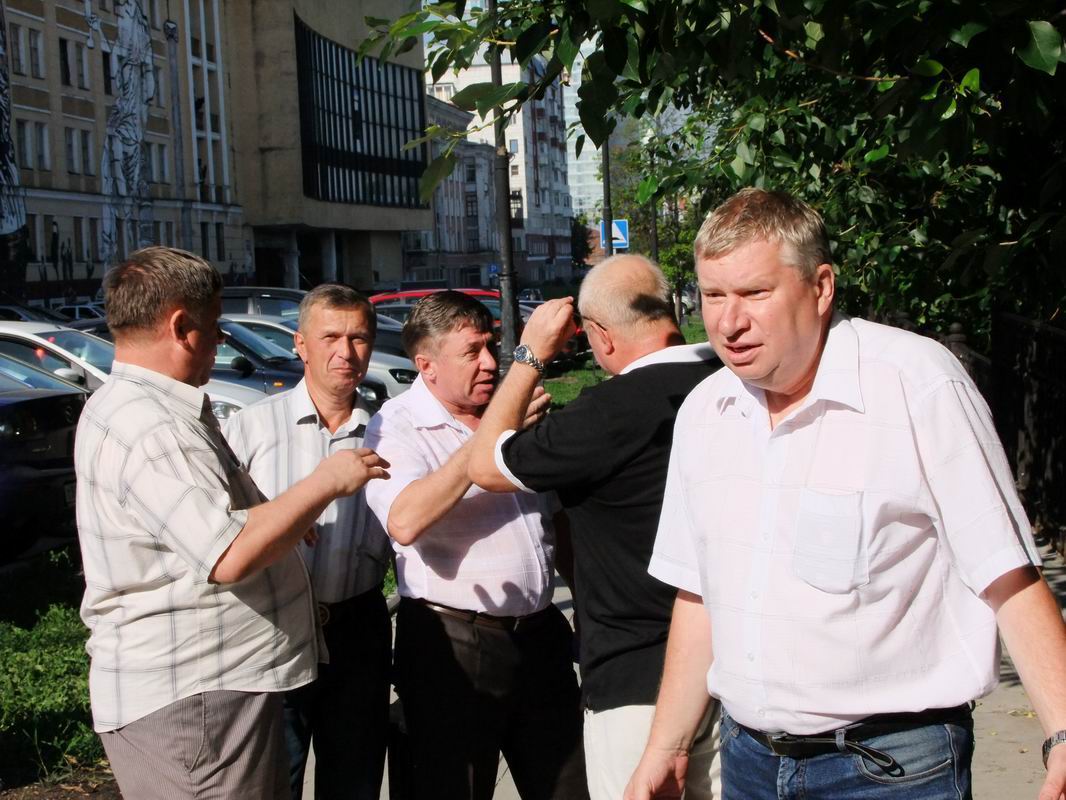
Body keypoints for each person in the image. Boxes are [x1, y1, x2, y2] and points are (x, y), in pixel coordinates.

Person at [624, 188, 1066, 800]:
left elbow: (1006, 573)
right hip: (748, 762)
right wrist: (667, 746)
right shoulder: (706, 411)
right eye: (713, 295)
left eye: (754, 293)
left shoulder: (916, 384)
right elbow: (699, 592)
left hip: (890, 770)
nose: (728, 322)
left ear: (821, 287)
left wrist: (1062, 732)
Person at [74, 247, 389, 800]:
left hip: (220, 690)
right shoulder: (152, 426)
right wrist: (323, 484)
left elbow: (203, 520)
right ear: (181, 327)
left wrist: (280, 519)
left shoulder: (147, 409)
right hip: (196, 700)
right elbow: (227, 553)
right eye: (215, 324)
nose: (221, 339)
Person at [466, 254, 722, 800]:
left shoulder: (608, 411)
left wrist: (530, 355)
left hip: (636, 688)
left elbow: (485, 464)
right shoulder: (726, 383)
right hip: (731, 670)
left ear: (602, 336)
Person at [363, 290, 588, 800]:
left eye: (490, 345)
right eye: (471, 351)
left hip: (539, 637)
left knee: (570, 786)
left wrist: (585, 604)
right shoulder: (395, 425)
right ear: (427, 365)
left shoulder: (512, 413)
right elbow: (405, 520)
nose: (489, 362)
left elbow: (557, 519)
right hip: (454, 646)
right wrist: (491, 438)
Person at [224, 284, 391, 800]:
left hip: (358, 626)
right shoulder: (251, 428)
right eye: (331, 337)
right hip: (272, 625)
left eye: (359, 338)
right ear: (300, 344)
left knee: (355, 779)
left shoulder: (389, 431)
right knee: (276, 778)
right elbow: (219, 526)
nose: (347, 352)